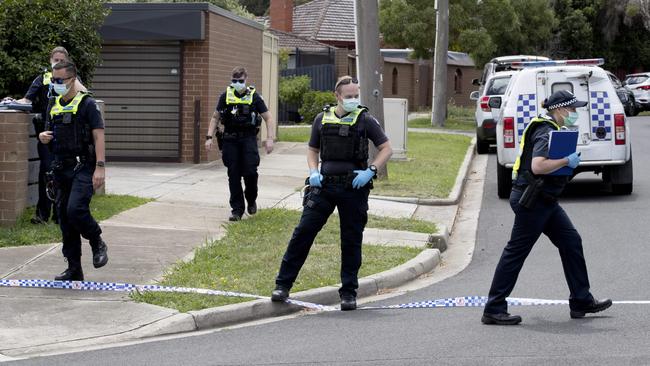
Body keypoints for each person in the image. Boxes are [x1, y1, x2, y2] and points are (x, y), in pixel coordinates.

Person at [482, 90, 611, 325]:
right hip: (533, 201)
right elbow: (538, 166)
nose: (575, 113)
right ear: (561, 109)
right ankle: (493, 308)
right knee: (515, 253)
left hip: (544, 201)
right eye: (573, 109)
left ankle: (581, 300)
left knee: (571, 241)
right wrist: (566, 161)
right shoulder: (546, 131)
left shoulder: (552, 129)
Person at [271, 76, 393, 311]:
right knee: (303, 233)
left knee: (351, 240)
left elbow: (386, 148)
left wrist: (371, 171)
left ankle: (348, 293)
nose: (353, 100)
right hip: (324, 187)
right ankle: (282, 285)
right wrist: (313, 171)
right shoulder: (321, 119)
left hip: (353, 189)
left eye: (356, 95)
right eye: (348, 97)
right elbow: (312, 149)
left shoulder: (365, 120)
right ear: (337, 96)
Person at [38, 61, 108, 281]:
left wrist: (100, 167)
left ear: (72, 79)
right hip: (61, 167)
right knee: (65, 220)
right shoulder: (54, 104)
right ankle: (74, 269)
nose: (56, 85)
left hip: (83, 166)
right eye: (53, 81)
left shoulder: (87, 104)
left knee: (75, 210)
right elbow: (49, 133)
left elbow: (99, 135)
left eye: (60, 81)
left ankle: (97, 241)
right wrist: (43, 137)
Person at [2, 46, 86, 225]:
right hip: (46, 133)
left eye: (61, 60)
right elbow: (27, 99)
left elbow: (85, 96)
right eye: (55, 59)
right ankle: (42, 214)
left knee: (65, 174)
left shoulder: (74, 80)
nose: (58, 62)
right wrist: (9, 103)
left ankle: (60, 214)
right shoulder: (43, 79)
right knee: (47, 173)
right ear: (50, 60)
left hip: (68, 135)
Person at [205, 67, 276, 221]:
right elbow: (215, 117)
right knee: (233, 174)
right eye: (234, 81)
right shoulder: (225, 96)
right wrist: (209, 137)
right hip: (230, 140)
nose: (237, 83)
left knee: (250, 172)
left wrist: (270, 138)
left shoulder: (254, 97)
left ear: (246, 79)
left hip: (248, 139)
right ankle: (237, 210)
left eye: (240, 81)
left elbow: (268, 118)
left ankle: (251, 199)